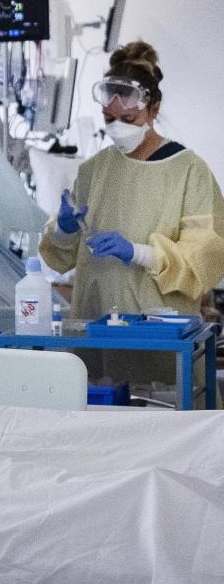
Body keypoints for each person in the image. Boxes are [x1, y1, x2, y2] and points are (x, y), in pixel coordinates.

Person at [40, 40, 224, 392]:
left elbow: (205, 257)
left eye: (129, 119)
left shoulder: (188, 170)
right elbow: (58, 256)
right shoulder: (95, 170)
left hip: (161, 341)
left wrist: (139, 252)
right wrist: (63, 230)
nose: (117, 128)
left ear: (153, 109)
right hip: (97, 335)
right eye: (109, 119)